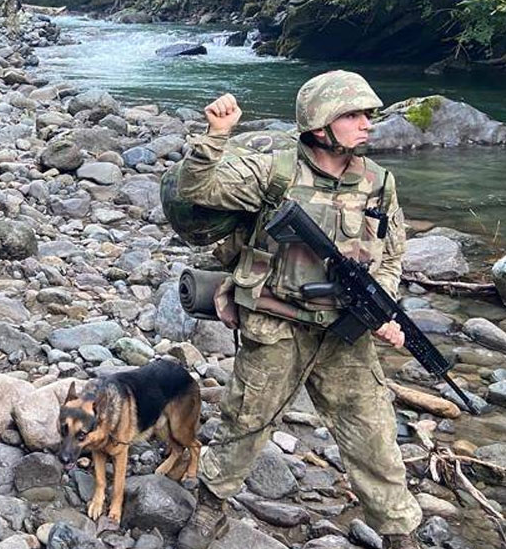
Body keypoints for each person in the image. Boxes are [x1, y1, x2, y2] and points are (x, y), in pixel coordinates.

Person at [177, 71, 423, 549]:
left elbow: (391, 252)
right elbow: (197, 190)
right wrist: (215, 137)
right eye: (352, 115)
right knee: (244, 423)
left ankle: (399, 534)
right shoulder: (276, 171)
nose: (366, 124)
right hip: (276, 324)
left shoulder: (378, 181)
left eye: (367, 115)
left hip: (343, 335)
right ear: (320, 123)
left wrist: (384, 310)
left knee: (374, 437)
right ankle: (210, 506)